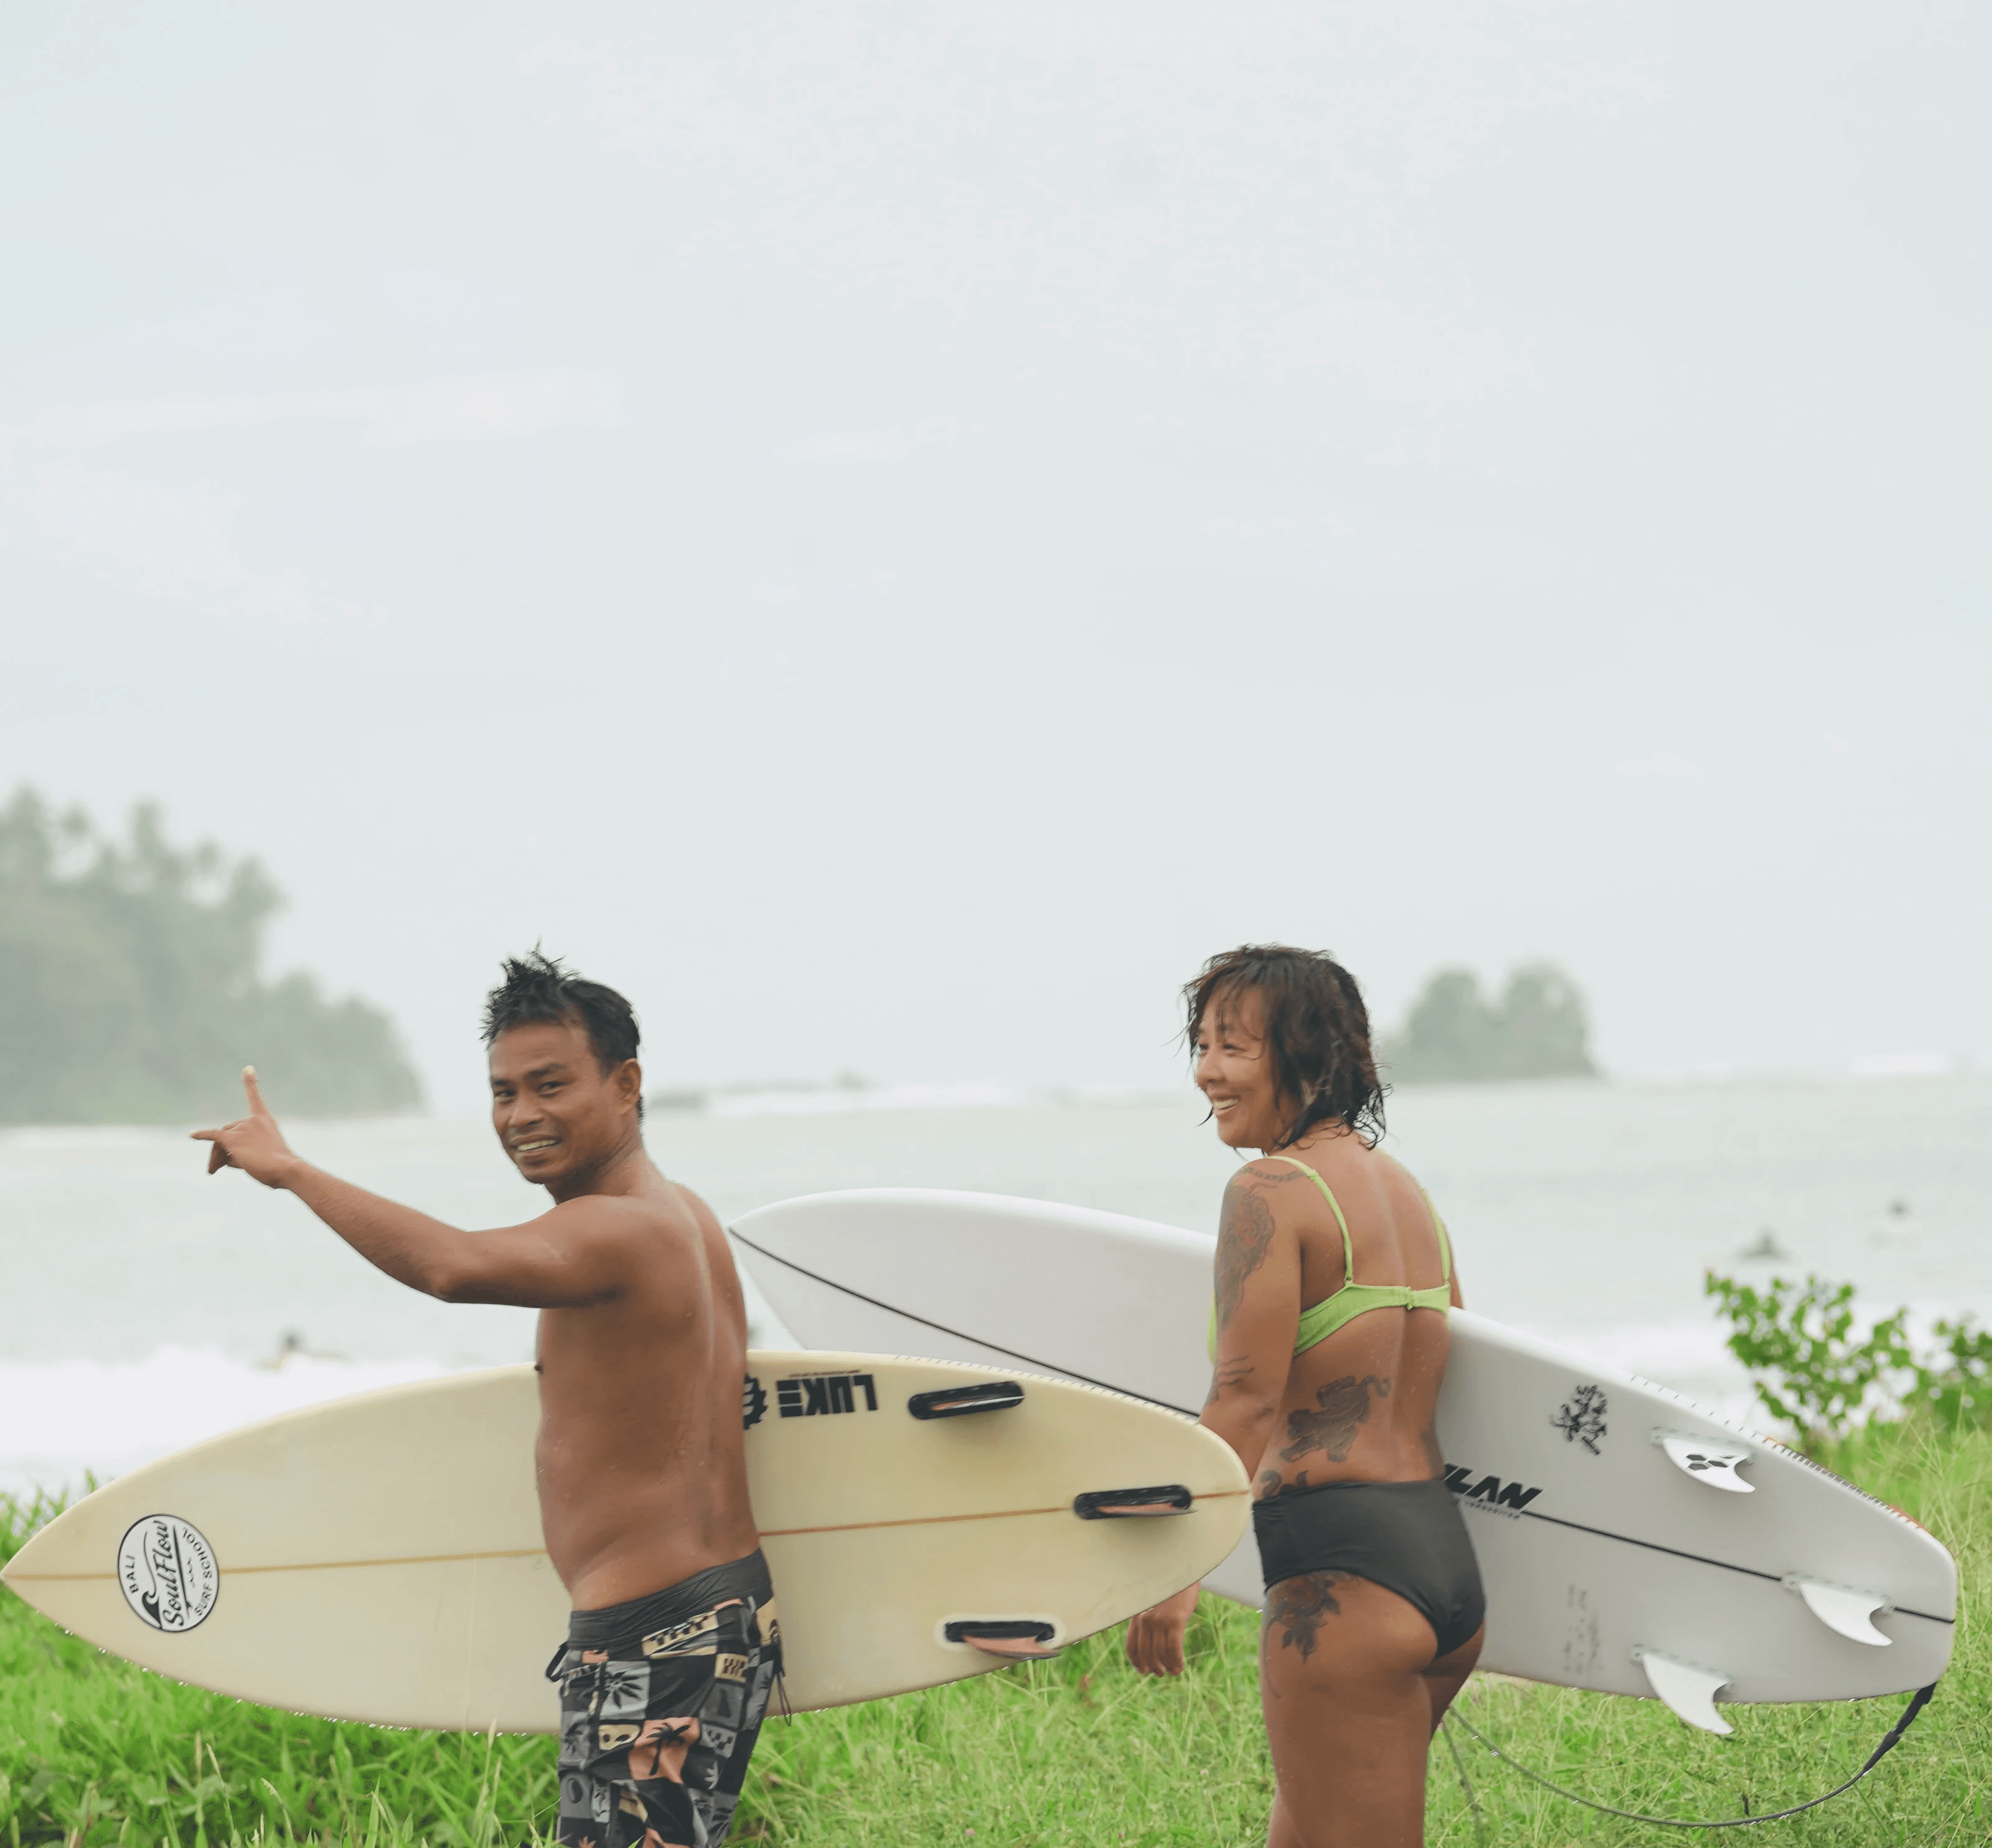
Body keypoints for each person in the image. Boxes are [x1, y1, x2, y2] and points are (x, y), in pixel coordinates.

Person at [194, 951, 778, 1848]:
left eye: (551, 1085)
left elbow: (451, 1265)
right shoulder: (685, 1216)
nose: (522, 1116)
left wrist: (293, 1172)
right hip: (712, 1615)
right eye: (504, 1093)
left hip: (654, 1641)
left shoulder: (616, 1229)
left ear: (626, 1085)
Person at [1125, 945, 1483, 1848]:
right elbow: (1458, 1371)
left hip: (1343, 1584)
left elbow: (1245, 1397)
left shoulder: (1270, 1192)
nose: (1206, 1071)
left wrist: (1176, 1566)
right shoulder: (1408, 1198)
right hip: (1438, 1564)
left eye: (1233, 1048)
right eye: (1201, 1045)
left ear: (1306, 1057)